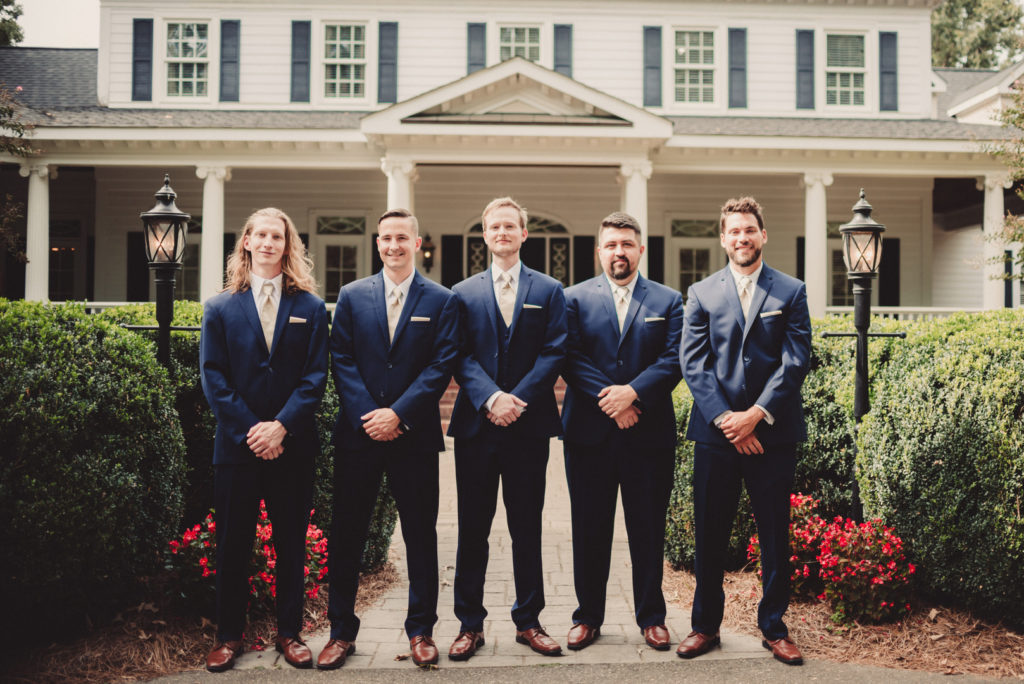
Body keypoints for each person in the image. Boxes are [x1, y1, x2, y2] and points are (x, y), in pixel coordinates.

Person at [319, 208, 458, 670]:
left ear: (417, 243)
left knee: (421, 535)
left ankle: (421, 631)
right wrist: (370, 415)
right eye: (385, 238)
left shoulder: (441, 300)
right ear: (376, 243)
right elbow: (341, 357)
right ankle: (341, 632)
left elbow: (440, 366)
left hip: (414, 436)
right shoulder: (353, 296)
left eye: (402, 237)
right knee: (348, 535)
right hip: (359, 436)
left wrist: (398, 414)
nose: (393, 245)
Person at [679, 196, 811, 665]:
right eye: (734, 231)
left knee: (775, 534)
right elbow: (693, 364)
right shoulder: (701, 293)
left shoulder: (790, 291)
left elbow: (796, 360)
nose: (742, 238)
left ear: (763, 235)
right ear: (723, 238)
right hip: (716, 436)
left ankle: (774, 628)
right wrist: (728, 421)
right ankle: (704, 627)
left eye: (749, 230)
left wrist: (756, 414)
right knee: (710, 535)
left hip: (772, 435)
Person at [199, 208, 329, 672]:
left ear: (288, 245)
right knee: (233, 543)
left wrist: (281, 427)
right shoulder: (219, 307)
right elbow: (213, 377)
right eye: (262, 235)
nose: (270, 242)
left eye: (279, 236)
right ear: (247, 243)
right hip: (237, 448)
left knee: (291, 544)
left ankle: (290, 634)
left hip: (292, 446)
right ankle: (228, 636)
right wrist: (253, 430)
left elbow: (315, 378)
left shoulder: (311, 308)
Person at [445, 197, 568, 661]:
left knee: (527, 527)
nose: (502, 233)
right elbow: (458, 353)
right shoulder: (462, 292)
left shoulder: (550, 289)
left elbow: (555, 350)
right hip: (478, 425)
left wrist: (518, 399)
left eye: (510, 226)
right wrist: (491, 397)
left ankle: (529, 621)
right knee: (472, 529)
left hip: (528, 425)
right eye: (494, 227)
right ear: (485, 235)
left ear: (523, 234)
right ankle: (468, 624)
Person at [560, 211, 683, 652]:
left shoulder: (668, 301)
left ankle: (652, 617)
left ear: (640, 250)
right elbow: (569, 357)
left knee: (647, 530)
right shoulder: (572, 299)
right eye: (611, 245)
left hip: (648, 436)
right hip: (588, 436)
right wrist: (612, 402)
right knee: (589, 529)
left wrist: (634, 395)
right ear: (599, 251)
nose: (619, 252)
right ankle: (587, 617)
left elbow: (674, 361)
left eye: (627, 244)